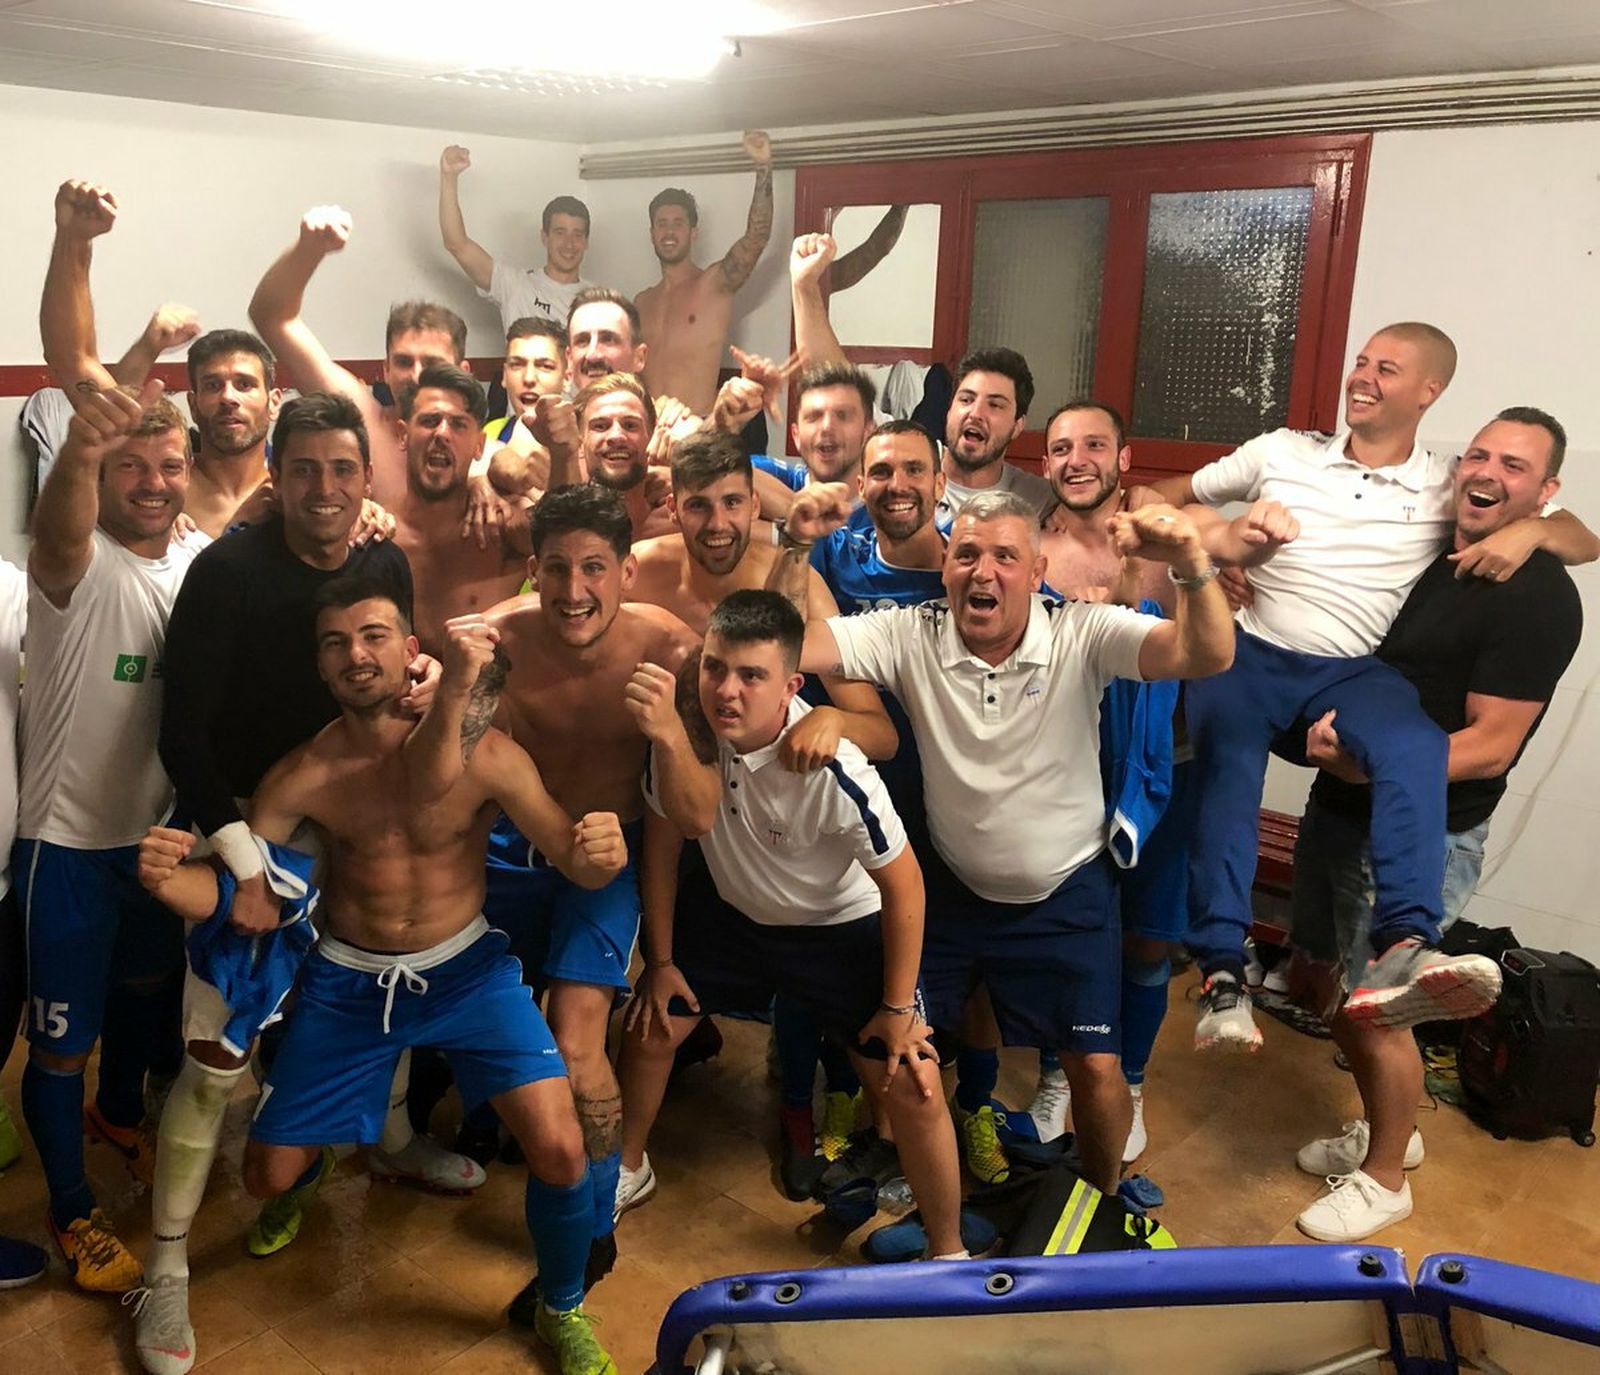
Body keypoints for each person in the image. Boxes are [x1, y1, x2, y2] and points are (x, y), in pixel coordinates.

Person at [141, 586, 626, 1375]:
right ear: (322, 668)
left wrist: (597, 849)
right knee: (265, 1177)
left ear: (411, 653)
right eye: (335, 643)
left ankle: (561, 1304)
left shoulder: (484, 752)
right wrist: (173, 882)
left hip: (468, 971)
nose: (355, 654)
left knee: (562, 1147)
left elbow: (569, 852)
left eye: (373, 635)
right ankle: (320, 1158)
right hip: (349, 982)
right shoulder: (301, 774)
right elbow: (249, 900)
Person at [1149, 323, 1599, 1050]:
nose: (1363, 375)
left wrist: (1536, 533)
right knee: (1226, 775)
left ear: (1429, 391)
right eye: (1359, 360)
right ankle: (1222, 974)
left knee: (1417, 743)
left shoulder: (1443, 484)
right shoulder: (1283, 451)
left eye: (1386, 367)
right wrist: (1218, 540)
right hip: (1253, 653)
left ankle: (1408, 941)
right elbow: (1160, 502)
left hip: (1352, 672)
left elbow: (1580, 532)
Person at [144, 393, 471, 1375]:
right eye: (307, 470)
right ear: (274, 476)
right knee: (216, 1055)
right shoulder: (225, 573)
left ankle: (397, 1134)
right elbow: (181, 736)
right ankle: (164, 1265)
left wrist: (418, 684)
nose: (326, 490)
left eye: (344, 470)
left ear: (365, 479)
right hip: (252, 823)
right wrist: (246, 863)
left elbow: (395, 668)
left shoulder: (385, 559)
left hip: (366, 817)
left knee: (396, 974)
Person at [790, 490, 1237, 1192]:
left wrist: (1189, 560)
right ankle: (935, 1210)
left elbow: (1204, 652)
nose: (983, 570)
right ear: (945, 566)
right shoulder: (910, 630)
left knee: (1095, 1067)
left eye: (1005, 555)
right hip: (955, 891)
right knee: (912, 1056)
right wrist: (791, 548)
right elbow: (797, 643)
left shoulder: (1080, 630)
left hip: (1069, 890)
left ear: (1037, 569)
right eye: (967, 553)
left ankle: (1099, 1199)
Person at [1289, 407, 1583, 1241]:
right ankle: (1394, 1129)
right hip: (1350, 812)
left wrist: (1365, 763)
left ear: (1546, 491)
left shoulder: (1536, 597)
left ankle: (1384, 1178)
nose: (1488, 472)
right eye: (1479, 455)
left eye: (1516, 466)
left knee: (1383, 1006)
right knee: (1351, 997)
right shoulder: (1445, 557)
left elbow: (1490, 747)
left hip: (1423, 834)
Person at [622, 589, 966, 1258]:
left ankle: (948, 1251)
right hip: (733, 918)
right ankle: (627, 1167)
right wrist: (660, 960)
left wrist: (898, 1005)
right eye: (716, 667)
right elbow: (662, 844)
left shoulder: (837, 767)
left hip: (840, 931)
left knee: (914, 1078)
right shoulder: (683, 732)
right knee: (651, 1019)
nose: (728, 690)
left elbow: (905, 883)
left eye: (752, 676)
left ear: (790, 686)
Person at [467, 483, 710, 1308]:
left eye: (595, 568)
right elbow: (449, 772)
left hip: (609, 857)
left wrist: (671, 730)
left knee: (578, 1041)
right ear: (533, 570)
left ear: (628, 569)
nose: (575, 592)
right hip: (507, 849)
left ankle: (597, 1210)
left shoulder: (671, 649)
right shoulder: (495, 641)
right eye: (558, 569)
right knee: (480, 1020)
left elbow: (698, 808)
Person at [15, 376, 205, 1295]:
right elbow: (59, 518)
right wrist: (84, 448)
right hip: (64, 850)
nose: (154, 481)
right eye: (132, 465)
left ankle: (118, 1115)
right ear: (101, 473)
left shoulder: (195, 562)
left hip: (155, 847)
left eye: (170, 464)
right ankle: (68, 1207)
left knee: (142, 991)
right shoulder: (75, 562)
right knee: (59, 1044)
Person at [250, 205, 501, 526]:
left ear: (462, 372)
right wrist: (308, 250)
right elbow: (272, 317)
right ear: (385, 370)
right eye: (404, 362)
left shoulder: (488, 455)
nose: (416, 375)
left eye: (432, 363)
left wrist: (486, 478)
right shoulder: (362, 417)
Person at [389, 363, 530, 655]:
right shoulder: (377, 531)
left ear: (479, 445)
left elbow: (570, 538)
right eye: (430, 420)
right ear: (403, 434)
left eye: (458, 424)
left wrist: (562, 452)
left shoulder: (501, 525)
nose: (442, 433)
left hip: (491, 697)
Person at [636, 130, 774, 415]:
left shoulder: (713, 285)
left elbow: (756, 238)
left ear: (693, 232)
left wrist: (763, 168)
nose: (669, 231)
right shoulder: (641, 302)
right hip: (647, 436)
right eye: (662, 224)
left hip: (696, 433)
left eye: (678, 223)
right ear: (651, 234)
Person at [438, 146, 595, 330]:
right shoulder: (515, 286)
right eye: (560, 233)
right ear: (544, 237)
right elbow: (457, 244)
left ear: (586, 242)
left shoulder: (599, 301)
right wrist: (449, 177)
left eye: (577, 235)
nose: (569, 244)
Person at [567, 287, 650, 394]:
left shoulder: (664, 410)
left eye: (608, 340)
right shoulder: (546, 411)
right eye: (582, 341)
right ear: (569, 359)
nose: (592, 356)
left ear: (639, 357)